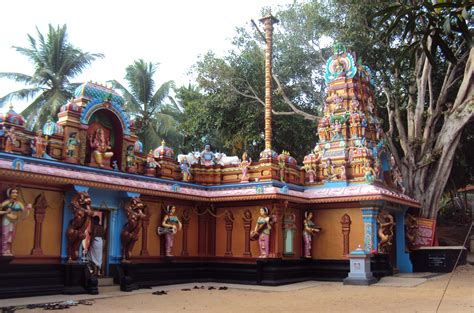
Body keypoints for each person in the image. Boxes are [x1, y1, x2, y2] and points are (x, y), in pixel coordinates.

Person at [0, 188, 31, 255]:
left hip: (14, 221)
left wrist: (28, 209)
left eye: (16, 193)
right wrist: (5, 211)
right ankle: (3, 250)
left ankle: (8, 250)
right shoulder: (6, 202)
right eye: (13, 192)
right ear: (9, 194)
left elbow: (24, 215)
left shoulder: (19, 204)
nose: (15, 194)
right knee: (5, 235)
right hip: (6, 220)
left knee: (11, 236)